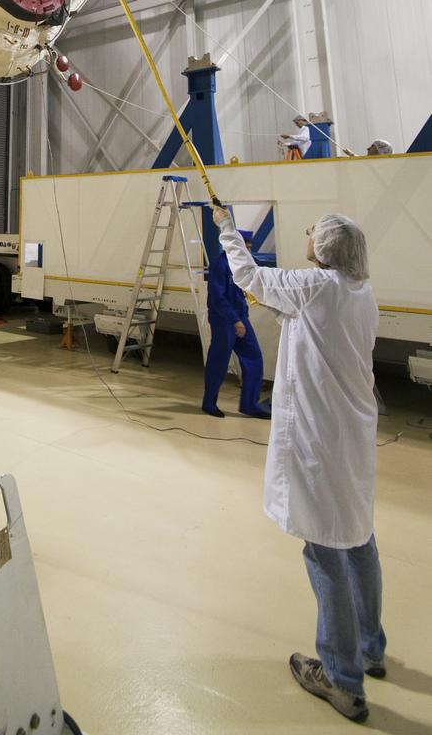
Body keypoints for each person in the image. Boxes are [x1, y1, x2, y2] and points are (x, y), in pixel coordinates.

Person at [212, 202, 383, 723]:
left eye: (315, 232)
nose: (310, 235)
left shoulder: (316, 287)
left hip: (321, 440)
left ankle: (341, 677)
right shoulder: (358, 291)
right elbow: (310, 323)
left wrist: (226, 229)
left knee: (325, 548)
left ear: (329, 249)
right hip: (352, 435)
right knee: (358, 540)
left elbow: (248, 275)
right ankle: (371, 648)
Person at [201, 230, 270, 419]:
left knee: (254, 358)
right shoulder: (220, 265)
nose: (248, 251)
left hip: (239, 317)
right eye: (244, 247)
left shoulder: (242, 265)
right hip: (223, 319)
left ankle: (250, 404)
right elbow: (217, 297)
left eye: (249, 248)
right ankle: (209, 403)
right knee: (219, 362)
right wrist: (235, 320)